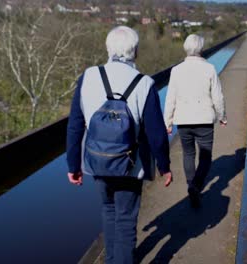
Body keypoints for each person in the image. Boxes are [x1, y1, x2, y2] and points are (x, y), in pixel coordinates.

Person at [66, 26, 173, 264]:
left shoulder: (88, 76)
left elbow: (75, 125)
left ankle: (112, 259)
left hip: (97, 160)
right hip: (130, 164)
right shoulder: (144, 83)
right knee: (125, 220)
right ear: (135, 51)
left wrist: (73, 164)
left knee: (108, 210)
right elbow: (156, 133)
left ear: (108, 48)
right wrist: (164, 166)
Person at [164, 34, 227, 208]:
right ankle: (196, 186)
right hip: (204, 120)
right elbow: (218, 97)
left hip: (183, 120)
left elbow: (170, 99)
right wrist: (222, 116)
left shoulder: (176, 70)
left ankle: (191, 185)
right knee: (205, 157)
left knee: (188, 154)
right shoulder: (210, 69)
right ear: (201, 48)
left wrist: (168, 122)